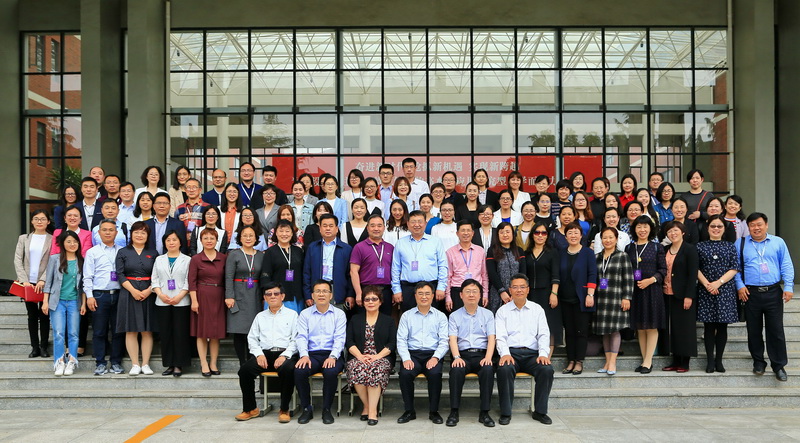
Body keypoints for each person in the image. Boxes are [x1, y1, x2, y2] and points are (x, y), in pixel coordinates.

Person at [735, 212, 794, 381]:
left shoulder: (778, 242)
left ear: (766, 225)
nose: (756, 228)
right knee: (753, 330)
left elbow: (786, 265)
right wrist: (739, 285)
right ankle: (758, 362)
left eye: (759, 224)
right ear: (748, 227)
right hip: (750, 293)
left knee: (776, 330)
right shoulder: (741, 243)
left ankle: (779, 365)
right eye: (752, 225)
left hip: (773, 292)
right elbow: (735, 267)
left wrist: (788, 286)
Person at [495, 273, 554, 426]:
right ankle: (506, 412)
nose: (519, 290)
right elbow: (500, 336)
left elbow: (543, 334)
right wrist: (505, 354)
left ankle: (540, 412)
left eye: (522, 287)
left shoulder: (537, 309)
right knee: (504, 369)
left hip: (532, 354)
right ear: (510, 290)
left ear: (528, 289)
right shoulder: (502, 311)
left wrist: (543, 354)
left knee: (546, 369)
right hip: (511, 353)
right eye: (515, 287)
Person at [235, 283, 298, 423]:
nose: (272, 296)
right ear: (264, 298)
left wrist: (284, 355)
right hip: (265, 355)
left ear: (282, 296)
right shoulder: (260, 316)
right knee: (244, 371)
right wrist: (259, 354)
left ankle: (284, 409)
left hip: (285, 354)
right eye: (269, 294)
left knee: (288, 369)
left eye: (276, 293)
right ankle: (250, 409)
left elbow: (296, 339)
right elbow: (252, 338)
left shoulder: (292, 315)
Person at [295, 279, 347, 425]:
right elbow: (301, 336)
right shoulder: (305, 314)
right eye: (318, 291)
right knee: (299, 371)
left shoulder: (339, 314)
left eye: (325, 291)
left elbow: (340, 338)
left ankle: (326, 409)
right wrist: (304, 355)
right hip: (311, 354)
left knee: (330, 372)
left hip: (332, 354)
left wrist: (333, 356)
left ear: (331, 295)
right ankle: (307, 408)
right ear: (312, 295)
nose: (321, 294)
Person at [396, 281, 448, 425]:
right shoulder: (406, 316)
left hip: (432, 354)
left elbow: (444, 341)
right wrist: (406, 358)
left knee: (435, 374)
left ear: (432, 296)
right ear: (415, 296)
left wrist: (436, 357)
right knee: (405, 374)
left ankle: (434, 411)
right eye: (420, 294)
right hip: (412, 354)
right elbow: (401, 340)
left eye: (427, 294)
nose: (424, 297)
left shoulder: (440, 316)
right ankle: (409, 411)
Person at [446, 279, 496, 428]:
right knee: (456, 370)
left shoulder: (488, 314)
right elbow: (452, 339)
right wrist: (456, 357)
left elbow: (491, 338)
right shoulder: (454, 316)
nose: (471, 295)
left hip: (482, 355)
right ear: (461, 295)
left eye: (475, 292)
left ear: (480, 295)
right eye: (468, 292)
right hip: (463, 355)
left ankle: (485, 412)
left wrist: (488, 357)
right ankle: (454, 411)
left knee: (488, 369)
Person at [346, 285, 396, 426]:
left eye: (374, 299)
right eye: (367, 299)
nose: (371, 302)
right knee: (356, 367)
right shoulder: (355, 319)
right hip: (359, 355)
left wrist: (377, 357)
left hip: (381, 357)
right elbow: (349, 341)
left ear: (380, 302)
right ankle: (367, 406)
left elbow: (392, 344)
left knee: (375, 368)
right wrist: (360, 356)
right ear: (363, 302)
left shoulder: (388, 321)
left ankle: (372, 411)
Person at [696, 215, 739, 373]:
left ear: (724, 229)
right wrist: (708, 285)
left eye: (719, 226)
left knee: (722, 327)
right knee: (708, 327)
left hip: (724, 290)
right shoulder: (699, 246)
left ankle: (719, 361)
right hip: (705, 289)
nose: (716, 229)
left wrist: (718, 283)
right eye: (713, 226)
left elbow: (734, 268)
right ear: (707, 228)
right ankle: (709, 361)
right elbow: (695, 268)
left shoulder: (730, 246)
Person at [625, 215, 667, 374]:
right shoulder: (629, 248)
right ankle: (644, 360)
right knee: (640, 327)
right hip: (634, 290)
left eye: (645, 227)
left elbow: (663, 270)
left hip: (652, 290)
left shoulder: (657, 247)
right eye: (639, 227)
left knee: (651, 325)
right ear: (634, 229)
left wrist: (650, 280)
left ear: (650, 229)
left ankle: (648, 361)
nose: (642, 230)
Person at [115, 221, 157, 376]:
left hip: (148, 292)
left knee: (147, 330)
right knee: (131, 329)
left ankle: (145, 364)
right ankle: (135, 364)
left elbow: (157, 275)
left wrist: (148, 290)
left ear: (148, 236)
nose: (140, 235)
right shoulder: (123, 252)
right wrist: (133, 291)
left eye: (143, 232)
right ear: (131, 234)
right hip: (128, 292)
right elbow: (120, 274)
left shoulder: (153, 253)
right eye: (136, 232)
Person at [83, 219, 125, 375]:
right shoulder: (92, 252)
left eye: (111, 230)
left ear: (116, 232)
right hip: (99, 295)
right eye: (105, 230)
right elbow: (87, 276)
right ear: (99, 232)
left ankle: (116, 362)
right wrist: (89, 296)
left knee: (118, 331)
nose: (108, 232)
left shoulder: (123, 251)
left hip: (119, 294)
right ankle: (100, 363)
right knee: (99, 331)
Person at [42, 231, 85, 376]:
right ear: (62, 244)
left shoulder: (82, 260)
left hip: (74, 302)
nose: (72, 244)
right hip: (57, 301)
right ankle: (59, 362)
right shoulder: (54, 259)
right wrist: (45, 301)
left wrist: (83, 304)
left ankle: (72, 361)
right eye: (69, 241)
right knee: (59, 333)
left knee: (73, 333)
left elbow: (84, 285)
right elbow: (48, 282)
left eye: (75, 241)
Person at [557, 222, 597, 376]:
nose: (573, 235)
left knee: (581, 331)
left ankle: (579, 361)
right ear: (565, 236)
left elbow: (592, 274)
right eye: (570, 233)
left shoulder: (587, 252)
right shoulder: (561, 252)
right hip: (565, 298)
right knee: (569, 332)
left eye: (576, 233)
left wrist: (590, 294)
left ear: (581, 236)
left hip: (582, 298)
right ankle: (570, 360)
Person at [593, 227, 633, 375]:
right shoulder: (596, 257)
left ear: (616, 239)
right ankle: (607, 361)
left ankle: (613, 362)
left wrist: (626, 297)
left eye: (611, 237)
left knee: (615, 330)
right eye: (605, 237)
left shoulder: (622, 256)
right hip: (601, 299)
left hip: (616, 297)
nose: (608, 240)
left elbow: (628, 278)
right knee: (604, 331)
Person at [660, 221, 699, 372]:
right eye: (670, 231)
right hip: (667, 293)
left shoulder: (690, 249)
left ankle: (685, 362)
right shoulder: (665, 249)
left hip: (683, 295)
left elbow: (692, 274)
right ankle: (675, 360)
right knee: (673, 328)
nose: (673, 233)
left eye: (676, 230)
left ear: (682, 232)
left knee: (685, 328)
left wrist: (689, 296)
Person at [151, 230, 191, 376]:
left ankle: (179, 364)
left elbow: (189, 280)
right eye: (168, 240)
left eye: (174, 240)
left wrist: (179, 296)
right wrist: (160, 294)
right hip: (162, 301)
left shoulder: (187, 259)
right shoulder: (159, 259)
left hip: (181, 301)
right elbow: (154, 279)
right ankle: (169, 363)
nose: (171, 242)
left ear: (180, 242)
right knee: (166, 334)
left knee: (180, 333)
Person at [391, 211, 448, 312]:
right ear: (408, 224)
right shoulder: (400, 243)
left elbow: (442, 266)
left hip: (431, 287)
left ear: (425, 224)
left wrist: (441, 287)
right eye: (413, 222)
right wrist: (396, 290)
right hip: (408, 288)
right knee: (409, 317)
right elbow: (395, 268)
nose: (416, 225)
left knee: (431, 317)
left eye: (420, 221)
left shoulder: (435, 242)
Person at [189, 228, 228, 376]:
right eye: (206, 238)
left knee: (215, 332)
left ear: (217, 240)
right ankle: (203, 363)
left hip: (219, 296)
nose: (209, 241)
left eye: (212, 238)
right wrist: (194, 301)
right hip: (201, 296)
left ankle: (213, 363)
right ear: (201, 241)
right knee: (202, 332)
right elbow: (192, 282)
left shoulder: (223, 258)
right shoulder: (196, 259)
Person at [14, 210, 52, 358]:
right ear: (32, 221)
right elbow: (18, 259)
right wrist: (24, 280)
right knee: (31, 315)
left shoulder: (52, 239)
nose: (39, 221)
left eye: (43, 219)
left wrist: (43, 279)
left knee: (44, 315)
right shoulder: (24, 238)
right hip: (27, 283)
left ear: (48, 221)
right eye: (36, 219)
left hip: (44, 282)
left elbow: (53, 261)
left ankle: (44, 347)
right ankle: (34, 347)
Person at [225, 225, 266, 365]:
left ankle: (250, 361)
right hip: (238, 294)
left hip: (254, 295)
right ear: (240, 238)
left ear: (256, 238)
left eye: (251, 235)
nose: (248, 238)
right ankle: (242, 362)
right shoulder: (234, 254)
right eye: (245, 235)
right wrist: (229, 296)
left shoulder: (261, 255)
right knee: (238, 329)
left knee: (253, 331)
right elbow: (228, 276)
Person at [521, 222, 561, 357]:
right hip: (531, 294)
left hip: (547, 293)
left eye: (543, 233)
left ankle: (547, 357)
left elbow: (556, 275)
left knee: (549, 325)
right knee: (531, 325)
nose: (540, 235)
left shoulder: (552, 252)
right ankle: (534, 356)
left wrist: (554, 293)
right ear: (532, 235)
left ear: (547, 235)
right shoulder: (526, 253)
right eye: (537, 232)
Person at [302, 214, 354, 310]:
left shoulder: (346, 249)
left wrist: (350, 294)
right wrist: (308, 294)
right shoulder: (312, 247)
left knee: (337, 317)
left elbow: (350, 274)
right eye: (325, 226)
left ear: (337, 229)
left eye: (331, 226)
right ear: (320, 229)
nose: (328, 229)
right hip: (317, 289)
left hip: (337, 290)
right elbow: (306, 272)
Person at [350, 215, 394, 314]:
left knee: (385, 320)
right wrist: (358, 293)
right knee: (365, 321)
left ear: (384, 228)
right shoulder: (359, 247)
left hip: (386, 291)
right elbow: (353, 271)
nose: (376, 229)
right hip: (366, 291)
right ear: (367, 228)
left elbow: (394, 271)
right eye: (373, 226)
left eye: (379, 225)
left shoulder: (390, 247)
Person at [261, 220, 305, 314]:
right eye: (281, 231)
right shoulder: (270, 252)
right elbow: (265, 275)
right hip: (277, 296)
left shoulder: (298, 251)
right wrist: (269, 294)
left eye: (287, 231)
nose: (284, 234)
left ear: (292, 233)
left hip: (296, 296)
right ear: (276, 233)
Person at [445, 221, 489, 313]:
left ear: (473, 233)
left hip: (476, 290)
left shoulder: (480, 251)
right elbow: (448, 276)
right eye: (463, 230)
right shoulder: (450, 252)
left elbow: (484, 274)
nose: (466, 233)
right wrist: (448, 297)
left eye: (468, 230)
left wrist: (485, 294)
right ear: (457, 233)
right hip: (457, 290)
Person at [486, 222, 525, 313]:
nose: (505, 235)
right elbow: (492, 272)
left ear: (512, 234)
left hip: (517, 292)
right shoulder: (492, 250)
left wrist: (515, 291)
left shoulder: (519, 250)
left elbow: (523, 272)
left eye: (508, 232)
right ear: (497, 235)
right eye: (502, 232)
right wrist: (502, 291)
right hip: (497, 292)